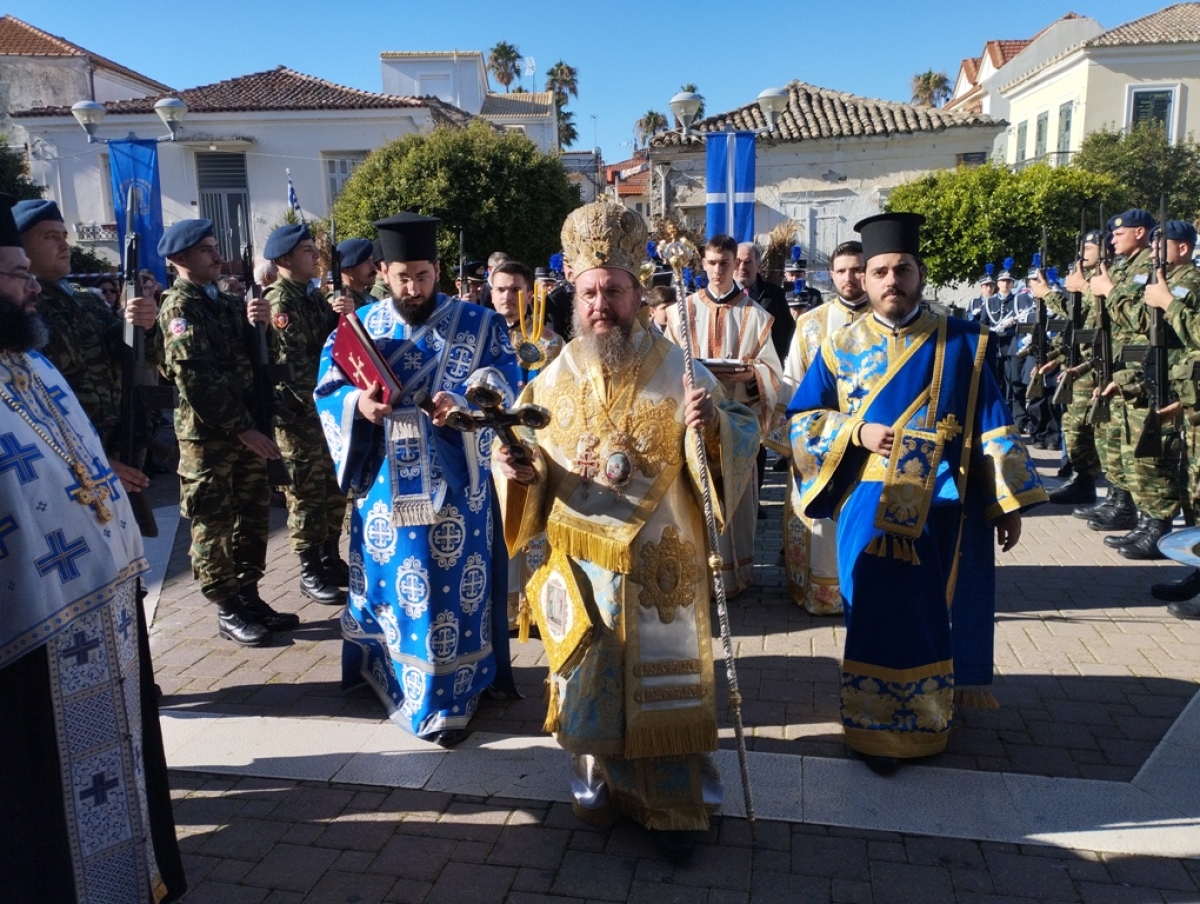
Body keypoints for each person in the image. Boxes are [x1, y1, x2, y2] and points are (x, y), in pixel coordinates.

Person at [493, 200, 759, 858]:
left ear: (638, 293)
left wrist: (715, 429)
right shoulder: (548, 382)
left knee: (667, 697)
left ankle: (676, 809)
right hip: (583, 574)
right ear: (574, 297)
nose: (601, 303)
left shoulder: (682, 370)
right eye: (589, 291)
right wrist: (518, 470)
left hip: (662, 567)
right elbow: (531, 477)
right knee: (587, 689)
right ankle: (599, 797)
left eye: (614, 289)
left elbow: (746, 438)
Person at [787, 212, 1046, 774]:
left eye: (900, 269)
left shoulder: (964, 342)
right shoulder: (840, 346)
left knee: (930, 612)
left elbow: (993, 424)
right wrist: (854, 432)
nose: (889, 280)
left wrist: (1006, 502)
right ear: (866, 276)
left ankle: (926, 719)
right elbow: (802, 421)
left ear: (919, 273)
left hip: (942, 505)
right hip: (866, 505)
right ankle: (871, 726)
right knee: (871, 611)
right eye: (879, 270)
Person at [0, 193, 186, 903]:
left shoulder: (35, 359)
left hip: (97, 604)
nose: (31, 288)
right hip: (28, 624)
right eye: (17, 273)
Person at [314, 212, 520, 747]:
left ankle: (453, 689)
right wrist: (359, 404)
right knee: (394, 583)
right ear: (382, 270)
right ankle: (387, 670)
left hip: (458, 486)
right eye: (403, 277)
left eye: (424, 276)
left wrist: (470, 397)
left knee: (450, 589)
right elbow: (328, 390)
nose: (414, 287)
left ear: (438, 271)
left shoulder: (479, 324)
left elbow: (504, 376)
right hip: (386, 487)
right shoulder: (358, 330)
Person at [158, 219, 296, 646]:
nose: (218, 257)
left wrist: (258, 323)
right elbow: (195, 379)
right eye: (207, 250)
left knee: (252, 516)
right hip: (211, 439)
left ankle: (248, 594)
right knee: (213, 523)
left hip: (246, 429)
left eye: (217, 248)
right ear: (180, 259)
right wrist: (243, 430)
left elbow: (256, 361)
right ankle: (226, 605)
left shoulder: (221, 301)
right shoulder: (180, 308)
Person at [13, 199, 160, 497]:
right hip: (65, 460)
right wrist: (89, 460)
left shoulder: (87, 301)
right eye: (50, 237)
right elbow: (28, 403)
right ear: (20, 247)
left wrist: (143, 327)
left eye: (64, 236)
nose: (64, 245)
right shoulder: (18, 311)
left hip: (117, 443)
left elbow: (136, 360)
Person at [663, 234, 779, 596]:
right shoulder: (678, 312)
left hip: (736, 426)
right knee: (691, 496)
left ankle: (734, 576)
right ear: (702, 264)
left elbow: (774, 372)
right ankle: (692, 576)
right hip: (691, 420)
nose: (717, 270)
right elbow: (664, 364)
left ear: (737, 265)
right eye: (711, 263)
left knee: (737, 499)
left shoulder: (758, 317)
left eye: (725, 263)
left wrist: (752, 374)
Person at [779, 240, 869, 615]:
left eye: (858, 269)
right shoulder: (810, 323)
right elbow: (792, 381)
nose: (850, 277)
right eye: (843, 270)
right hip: (820, 442)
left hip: (870, 442)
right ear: (831, 275)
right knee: (818, 522)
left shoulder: (887, 321)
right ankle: (819, 594)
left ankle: (864, 591)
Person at [264, 223, 350, 604]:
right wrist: (318, 402)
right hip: (298, 416)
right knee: (304, 493)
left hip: (323, 412)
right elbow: (291, 365)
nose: (316, 256)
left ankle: (330, 555)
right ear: (284, 259)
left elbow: (336, 351)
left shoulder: (314, 299)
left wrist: (345, 314)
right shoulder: (280, 303)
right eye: (306, 251)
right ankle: (309, 567)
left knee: (331, 490)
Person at [1086, 209, 1177, 557]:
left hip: (1147, 373)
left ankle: (1157, 526)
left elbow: (1144, 320)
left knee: (1150, 456)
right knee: (1128, 451)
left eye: (1119, 234)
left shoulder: (1146, 272)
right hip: (1126, 371)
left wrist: (1108, 290)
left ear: (1140, 232)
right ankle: (1139, 517)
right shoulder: (1127, 269)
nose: (1111, 240)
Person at [486, 258, 563, 631]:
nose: (506, 297)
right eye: (499, 289)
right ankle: (502, 608)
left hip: (536, 448)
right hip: (491, 449)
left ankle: (536, 607)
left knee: (535, 529)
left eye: (515, 289)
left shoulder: (549, 342)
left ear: (530, 293)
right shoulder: (479, 336)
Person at [1144, 220, 1200, 613]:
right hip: (1191, 403)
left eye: (1161, 244)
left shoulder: (1191, 283)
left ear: (1182, 248)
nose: (1153, 250)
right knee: (1194, 494)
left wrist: (1169, 302)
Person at [1027, 231, 1105, 505]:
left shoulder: (1103, 278)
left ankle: (1108, 492)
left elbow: (1082, 316)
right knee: (1074, 429)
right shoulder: (1084, 277)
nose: (1084, 251)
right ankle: (1082, 483)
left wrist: (1047, 294)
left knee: (1092, 431)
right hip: (1078, 363)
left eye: (1089, 246)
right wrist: (1058, 356)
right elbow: (1075, 327)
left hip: (1094, 366)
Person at [735, 241, 793, 362]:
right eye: (737, 262)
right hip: (732, 369)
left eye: (748, 262)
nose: (742, 267)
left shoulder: (777, 295)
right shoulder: (723, 296)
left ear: (758, 266)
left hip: (767, 367)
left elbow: (786, 332)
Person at [336, 237, 377, 308]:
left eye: (372, 260)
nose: (373, 266)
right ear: (348, 269)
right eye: (366, 262)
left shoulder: (373, 301)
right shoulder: (340, 304)